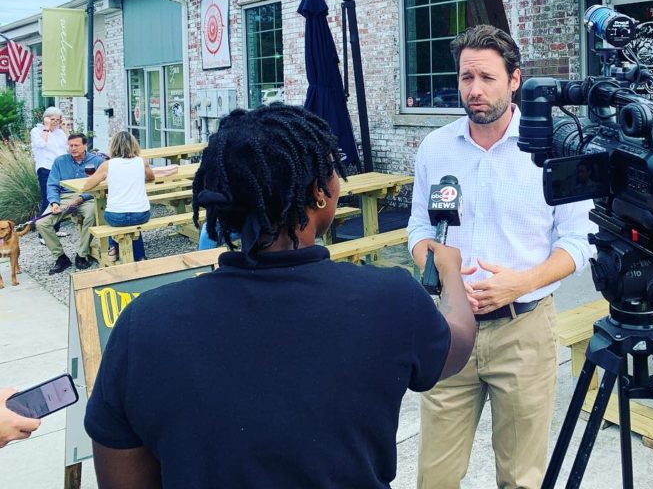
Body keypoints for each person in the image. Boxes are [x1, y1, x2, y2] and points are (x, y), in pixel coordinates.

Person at [84, 104, 475, 489]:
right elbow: (456, 344)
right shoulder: (389, 300)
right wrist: (449, 270)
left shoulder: (143, 325)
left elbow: (121, 473)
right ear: (320, 192)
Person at [407, 25, 596, 489]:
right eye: (466, 77)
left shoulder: (554, 150)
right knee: (434, 477)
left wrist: (522, 283)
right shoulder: (435, 148)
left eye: (487, 78)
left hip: (523, 330)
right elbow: (419, 227)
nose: (475, 90)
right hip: (450, 328)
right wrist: (437, 265)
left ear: (514, 80)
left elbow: (579, 239)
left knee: (521, 478)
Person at [80, 131, 154, 263]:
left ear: (113, 146)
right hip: (141, 214)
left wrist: (102, 178)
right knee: (133, 224)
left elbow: (87, 186)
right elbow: (151, 177)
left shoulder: (108, 165)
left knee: (111, 216)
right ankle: (140, 257)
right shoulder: (142, 162)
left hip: (116, 217)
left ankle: (113, 247)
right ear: (134, 145)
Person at [35, 133, 104, 274]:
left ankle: (82, 255)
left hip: (89, 197)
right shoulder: (60, 161)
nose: (73, 148)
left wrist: (82, 198)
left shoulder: (97, 161)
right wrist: (54, 202)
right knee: (41, 223)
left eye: (76, 145)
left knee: (92, 214)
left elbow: (101, 185)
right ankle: (61, 257)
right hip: (64, 197)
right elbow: (52, 184)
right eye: (70, 145)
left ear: (85, 145)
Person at [29, 107, 68, 216]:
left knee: (59, 198)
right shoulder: (36, 131)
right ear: (46, 118)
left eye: (58, 120)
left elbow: (70, 147)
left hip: (60, 169)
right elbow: (41, 144)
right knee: (48, 198)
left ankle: (56, 225)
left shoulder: (60, 133)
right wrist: (46, 128)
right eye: (52, 119)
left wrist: (65, 129)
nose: (55, 122)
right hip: (46, 168)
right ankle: (43, 225)